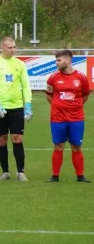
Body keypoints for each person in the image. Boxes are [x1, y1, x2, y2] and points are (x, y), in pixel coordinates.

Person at [0, 37, 32, 181]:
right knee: (1, 139)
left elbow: (25, 86)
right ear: (3, 48)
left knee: (17, 138)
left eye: (14, 47)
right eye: (10, 47)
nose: (13, 50)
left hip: (16, 107)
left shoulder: (20, 64)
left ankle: (20, 171)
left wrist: (28, 105)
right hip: (0, 108)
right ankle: (5, 171)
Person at [45, 50, 90, 183]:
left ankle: (80, 176)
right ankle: (55, 176)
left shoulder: (81, 77)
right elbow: (48, 94)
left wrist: (75, 106)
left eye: (59, 60)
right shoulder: (53, 78)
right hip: (57, 118)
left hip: (76, 118)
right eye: (56, 60)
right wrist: (57, 106)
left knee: (76, 146)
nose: (56, 63)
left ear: (68, 60)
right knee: (58, 145)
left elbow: (86, 95)